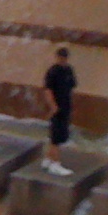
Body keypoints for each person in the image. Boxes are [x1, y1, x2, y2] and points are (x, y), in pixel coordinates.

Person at [42, 46, 77, 176]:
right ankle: (55, 165)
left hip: (66, 106)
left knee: (58, 135)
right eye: (61, 57)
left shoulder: (69, 70)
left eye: (65, 57)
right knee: (56, 136)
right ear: (57, 57)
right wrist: (53, 107)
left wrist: (71, 106)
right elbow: (48, 90)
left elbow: (72, 88)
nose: (63, 59)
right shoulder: (52, 71)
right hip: (57, 108)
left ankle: (48, 159)